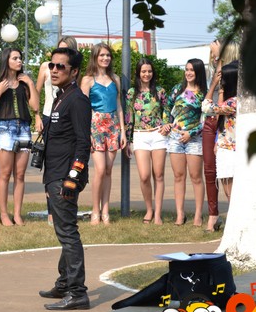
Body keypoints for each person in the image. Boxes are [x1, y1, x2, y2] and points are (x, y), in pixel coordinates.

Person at [38, 47, 91, 310]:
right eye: (52, 65)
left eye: (61, 66)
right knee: (63, 230)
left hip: (64, 176)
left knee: (68, 233)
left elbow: (83, 143)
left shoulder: (77, 100)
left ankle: (77, 292)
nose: (54, 70)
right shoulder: (61, 96)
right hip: (54, 173)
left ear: (74, 71)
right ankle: (64, 283)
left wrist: (73, 177)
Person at [0, 48, 39, 226]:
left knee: (20, 174)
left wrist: (30, 83)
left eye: (20, 58)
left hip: (24, 128)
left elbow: (35, 106)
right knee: (5, 174)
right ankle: (4, 214)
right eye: (15, 58)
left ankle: (17, 214)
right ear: (6, 60)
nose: (19, 61)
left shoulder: (24, 83)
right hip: (5, 129)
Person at [80, 42, 126, 225]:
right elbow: (83, 109)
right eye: (102, 55)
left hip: (113, 126)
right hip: (95, 126)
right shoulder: (87, 80)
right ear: (95, 57)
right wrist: (87, 133)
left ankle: (105, 211)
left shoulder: (115, 78)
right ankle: (95, 210)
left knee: (108, 169)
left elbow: (119, 105)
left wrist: (123, 131)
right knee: (99, 170)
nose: (105, 58)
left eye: (108, 55)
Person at [35, 35, 78, 226]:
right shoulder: (46, 67)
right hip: (47, 116)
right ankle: (51, 212)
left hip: (66, 116)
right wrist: (37, 116)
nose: (56, 68)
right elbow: (35, 91)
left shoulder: (73, 71)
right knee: (50, 165)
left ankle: (66, 205)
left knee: (66, 162)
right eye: (59, 49)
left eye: (66, 50)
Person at [125, 58, 168, 225]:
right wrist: (128, 140)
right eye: (143, 71)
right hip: (140, 135)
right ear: (138, 73)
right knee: (144, 176)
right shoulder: (131, 93)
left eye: (149, 71)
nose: (147, 74)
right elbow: (129, 117)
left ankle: (158, 213)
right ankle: (149, 209)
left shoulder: (160, 91)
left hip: (158, 134)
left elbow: (166, 111)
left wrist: (166, 125)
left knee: (159, 174)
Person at [165, 58, 208, 226]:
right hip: (175, 138)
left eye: (192, 70)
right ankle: (180, 214)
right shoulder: (178, 89)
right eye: (187, 69)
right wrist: (167, 123)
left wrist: (191, 133)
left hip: (194, 139)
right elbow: (167, 107)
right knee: (178, 176)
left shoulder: (203, 93)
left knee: (196, 177)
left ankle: (198, 215)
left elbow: (206, 119)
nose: (188, 73)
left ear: (198, 72)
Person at [203, 40, 239, 232]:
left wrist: (215, 86)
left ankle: (234, 225)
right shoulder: (240, 101)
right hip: (226, 141)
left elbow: (207, 107)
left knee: (230, 188)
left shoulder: (233, 103)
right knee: (229, 186)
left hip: (229, 148)